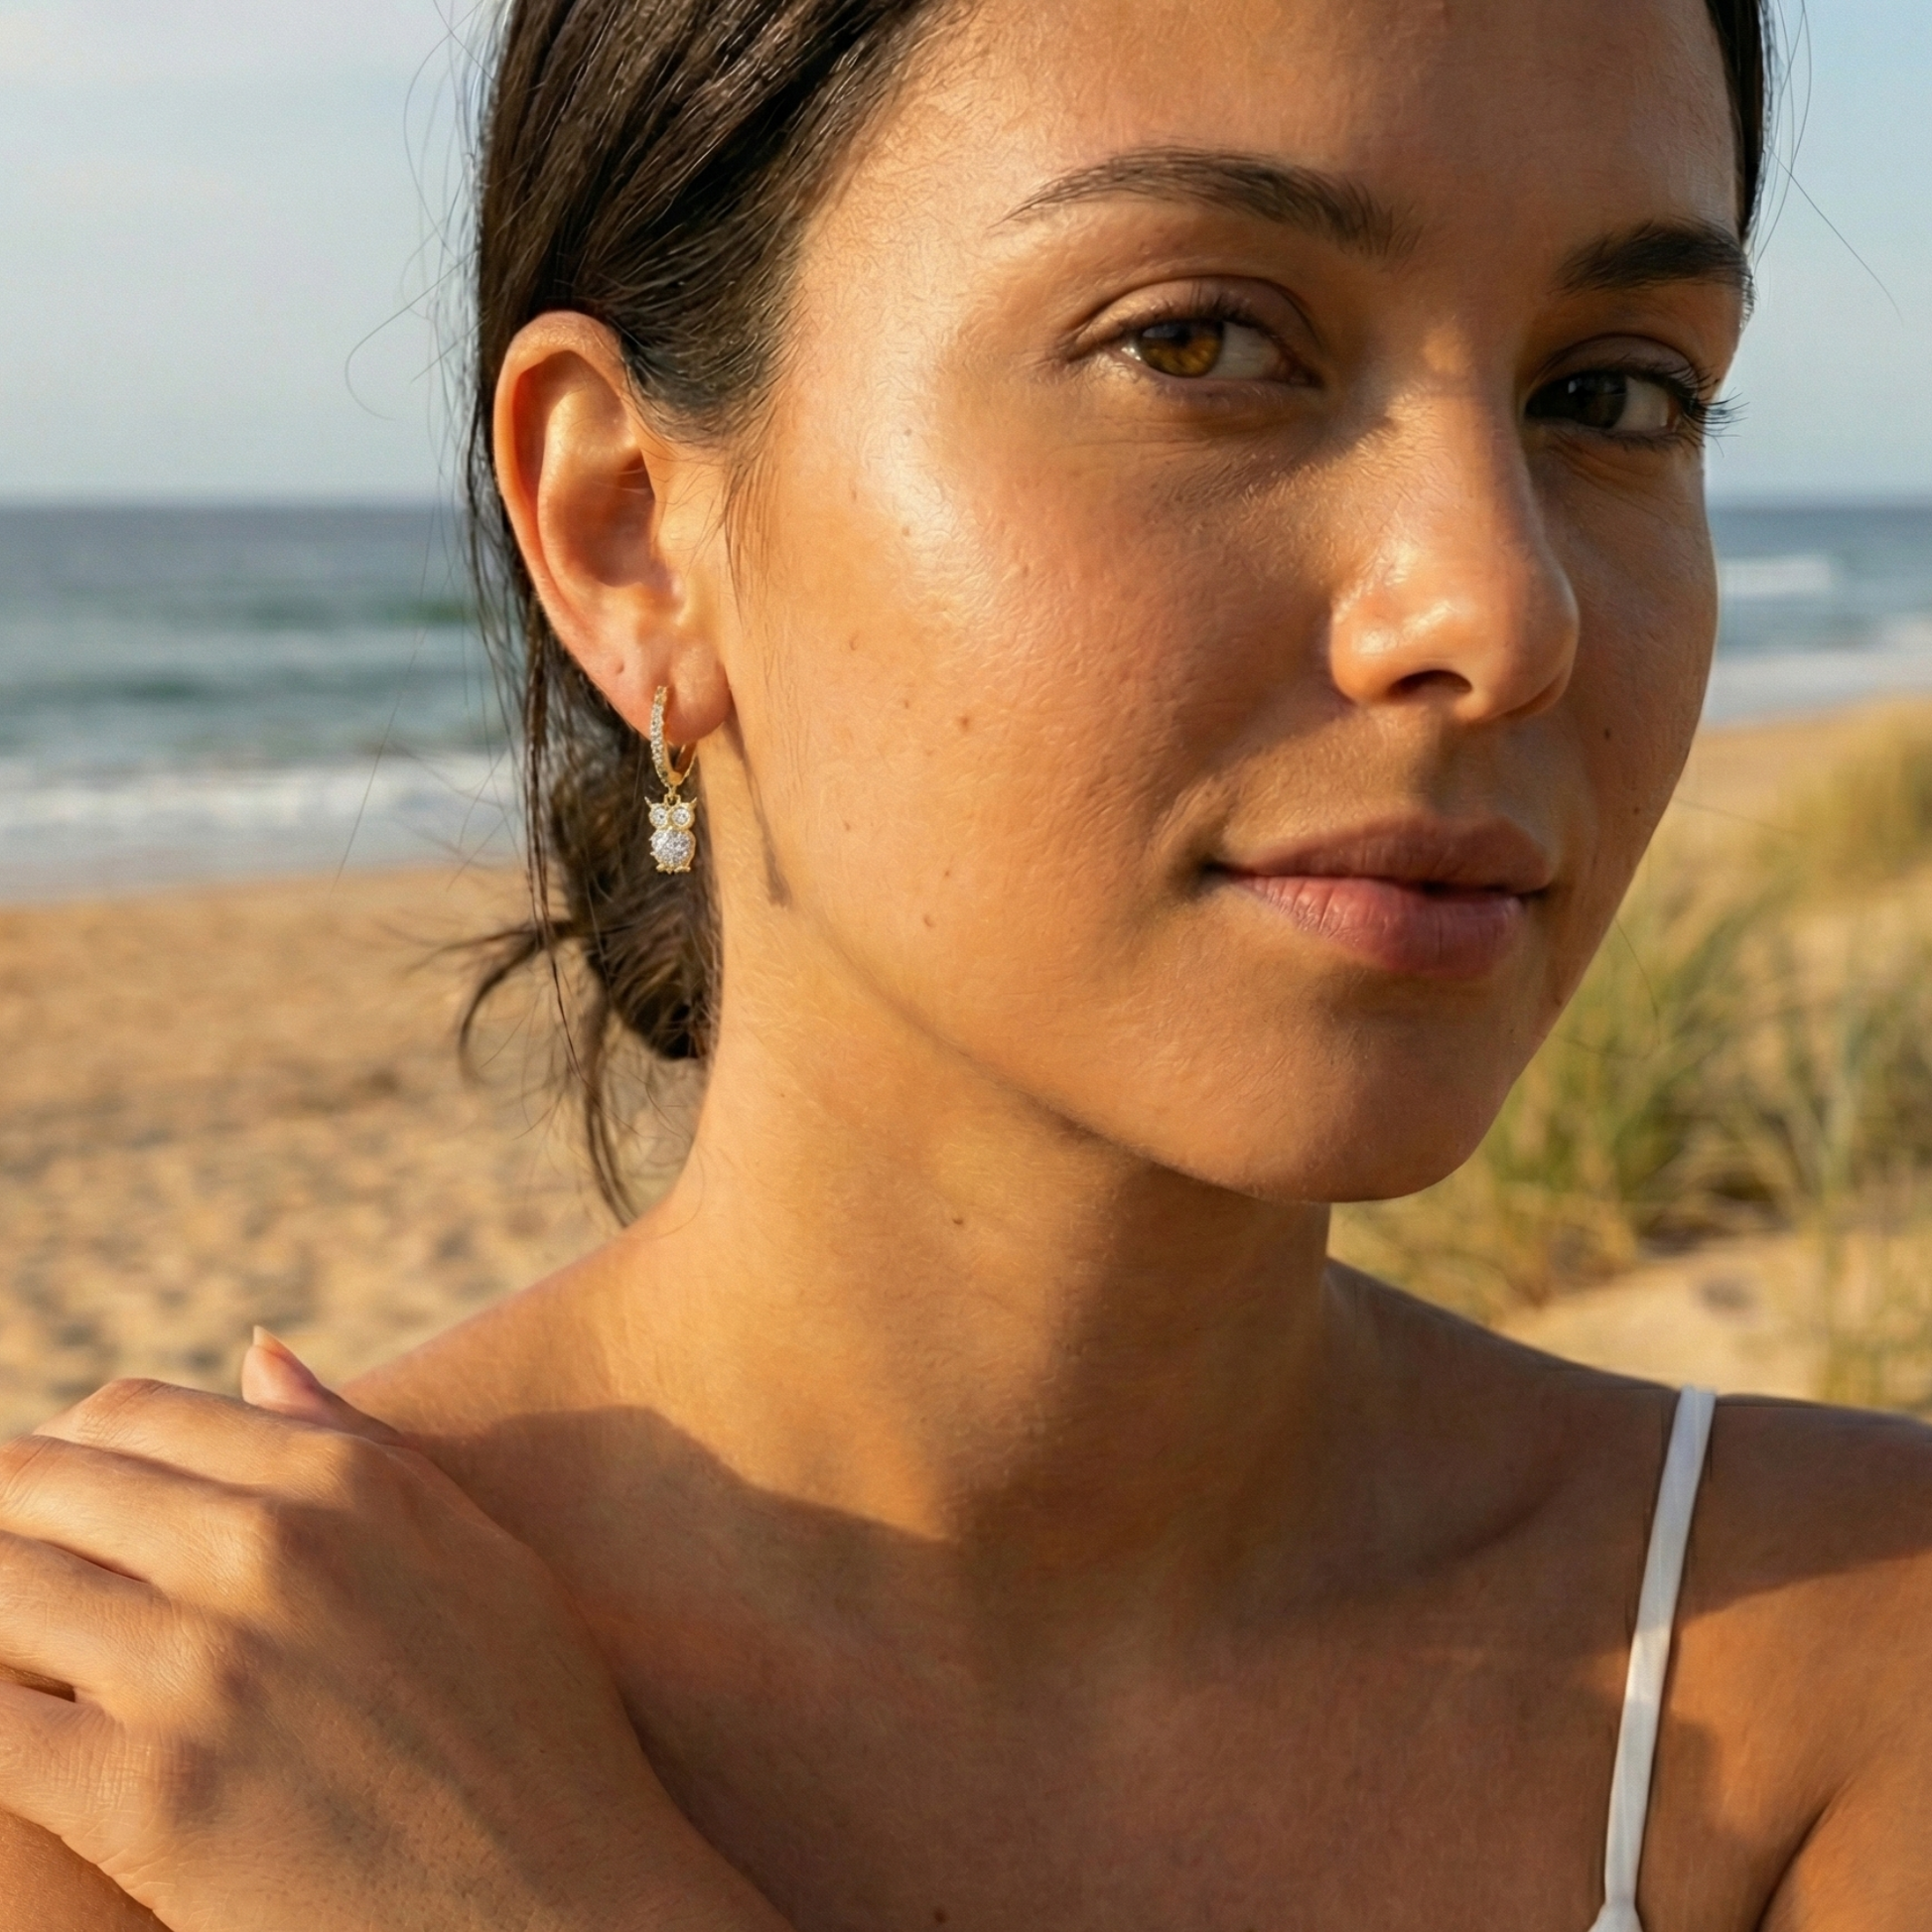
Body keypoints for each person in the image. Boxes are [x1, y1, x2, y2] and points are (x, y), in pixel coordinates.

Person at [3, 0, 1930, 1924]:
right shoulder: (136, 1789)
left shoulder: (1863, 1669)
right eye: (1201, 341)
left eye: (1610, 394)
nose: (1501, 609)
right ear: (628, 530)